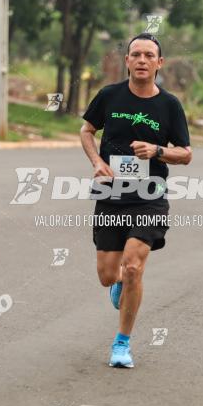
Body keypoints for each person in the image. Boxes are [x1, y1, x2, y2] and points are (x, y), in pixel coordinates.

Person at [80, 32, 192, 368]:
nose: (142, 60)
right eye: (136, 55)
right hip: (110, 193)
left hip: (149, 196)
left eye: (149, 55)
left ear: (159, 63)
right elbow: (87, 131)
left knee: (133, 267)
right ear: (127, 61)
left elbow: (185, 154)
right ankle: (119, 287)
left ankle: (121, 344)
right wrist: (97, 162)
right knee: (107, 275)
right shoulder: (109, 96)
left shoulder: (169, 105)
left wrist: (158, 150)